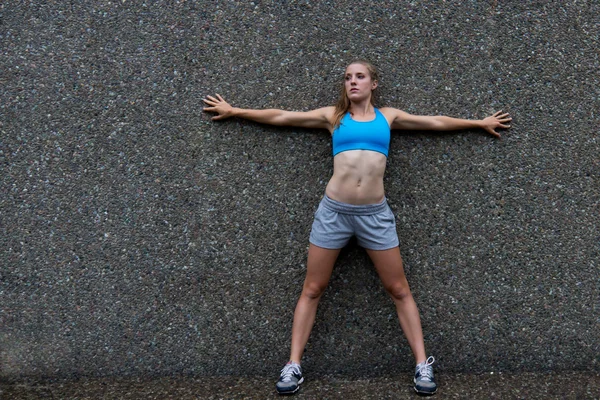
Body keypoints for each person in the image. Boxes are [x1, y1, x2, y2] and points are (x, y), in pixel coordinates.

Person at [203, 60, 511, 396]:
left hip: (374, 216)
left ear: (373, 83)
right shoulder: (332, 117)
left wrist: (478, 123)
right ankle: (293, 365)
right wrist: (235, 111)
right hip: (333, 213)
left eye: (360, 77)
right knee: (312, 288)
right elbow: (281, 115)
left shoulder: (388, 117)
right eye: (348, 77)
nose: (353, 82)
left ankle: (423, 365)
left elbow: (434, 122)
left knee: (399, 288)